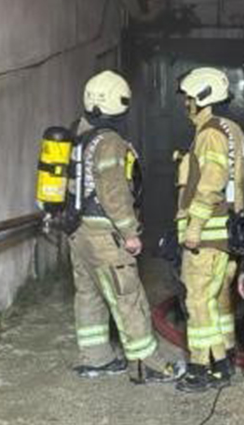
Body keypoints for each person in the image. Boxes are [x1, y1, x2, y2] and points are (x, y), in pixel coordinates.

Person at [67, 70, 185, 383]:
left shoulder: (78, 135)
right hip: (105, 236)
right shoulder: (109, 142)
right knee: (128, 299)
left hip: (78, 232)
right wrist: (130, 233)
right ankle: (148, 365)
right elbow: (114, 194)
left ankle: (96, 359)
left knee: (88, 295)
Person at [172, 67, 244, 393]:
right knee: (216, 301)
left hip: (207, 236)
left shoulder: (210, 134)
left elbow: (212, 182)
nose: (185, 104)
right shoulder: (232, 130)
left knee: (199, 302)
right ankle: (223, 363)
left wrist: (195, 226)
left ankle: (200, 369)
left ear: (202, 98)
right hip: (227, 233)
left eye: (189, 98)